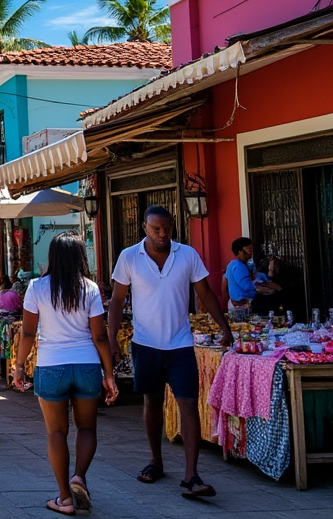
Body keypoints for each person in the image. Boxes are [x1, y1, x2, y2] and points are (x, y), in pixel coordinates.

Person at [108, 205, 233, 499]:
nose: (162, 234)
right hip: (145, 344)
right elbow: (117, 301)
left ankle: (192, 475)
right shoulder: (129, 257)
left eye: (167, 229)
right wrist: (111, 340)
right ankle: (156, 461)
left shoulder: (187, 255)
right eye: (156, 229)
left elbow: (205, 294)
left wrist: (225, 327)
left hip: (181, 344)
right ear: (144, 228)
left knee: (188, 404)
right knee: (151, 403)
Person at [14, 234, 119, 515]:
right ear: (80, 258)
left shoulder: (37, 287)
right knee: (87, 428)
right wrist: (109, 375)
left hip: (51, 366)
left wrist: (19, 366)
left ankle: (65, 498)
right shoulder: (90, 288)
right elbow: (99, 336)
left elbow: (27, 332)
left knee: (56, 432)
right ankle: (79, 477)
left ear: (53, 257)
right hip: (86, 366)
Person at [223, 237, 257, 313]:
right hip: (242, 307)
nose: (251, 251)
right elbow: (247, 286)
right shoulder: (239, 266)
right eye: (249, 249)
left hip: (235, 304)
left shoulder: (232, 264)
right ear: (240, 251)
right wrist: (261, 289)